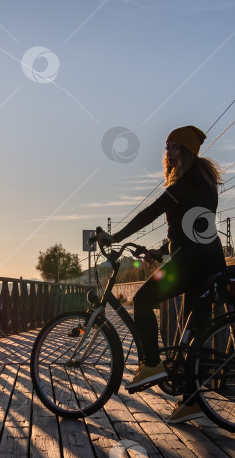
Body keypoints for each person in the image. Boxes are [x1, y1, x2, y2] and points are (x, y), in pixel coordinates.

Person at [95, 125, 225, 423]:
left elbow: (149, 213)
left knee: (142, 300)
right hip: (206, 261)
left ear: (188, 151)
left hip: (191, 264)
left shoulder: (184, 186)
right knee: (191, 332)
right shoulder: (201, 183)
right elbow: (192, 230)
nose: (168, 152)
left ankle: (152, 363)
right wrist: (162, 251)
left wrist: (115, 238)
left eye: (175, 147)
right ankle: (192, 402)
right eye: (166, 147)